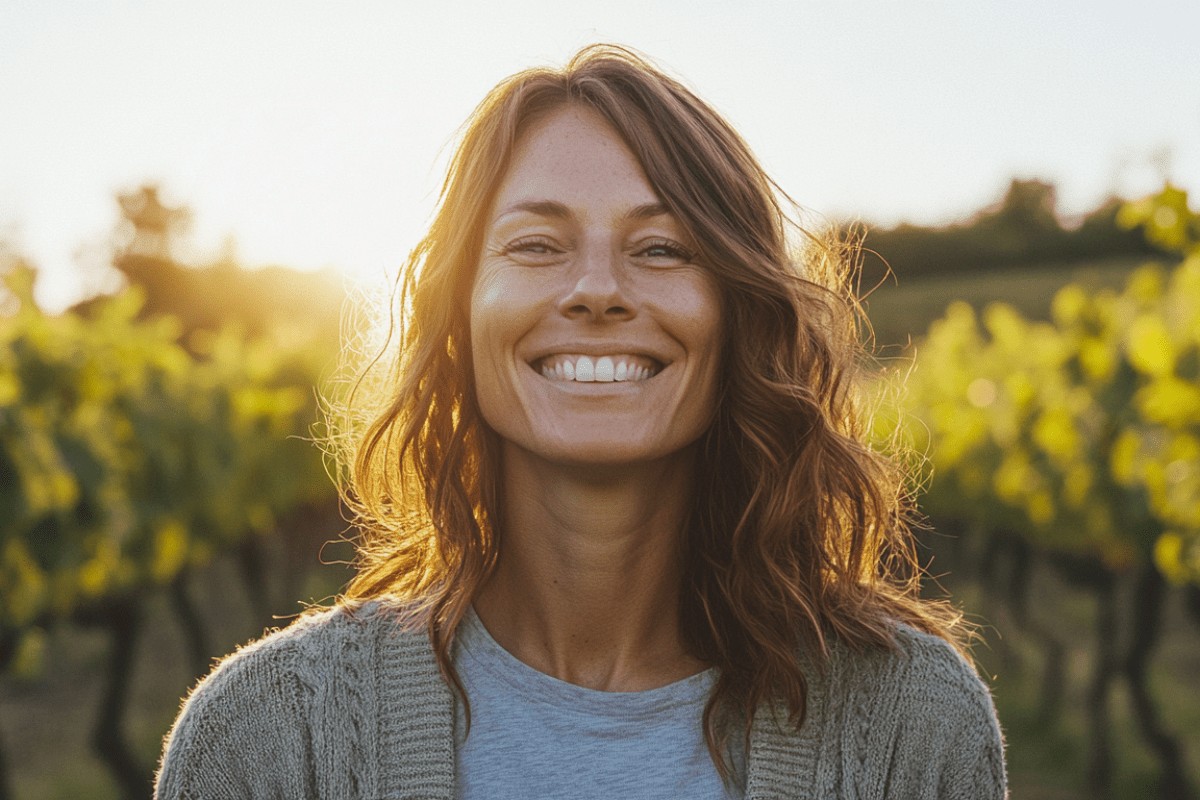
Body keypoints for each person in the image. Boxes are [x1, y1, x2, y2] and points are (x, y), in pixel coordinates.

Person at [154, 44, 1007, 799]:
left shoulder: (915, 727)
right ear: (461, 312)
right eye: (536, 245)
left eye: (663, 248)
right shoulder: (266, 742)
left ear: (739, 313)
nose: (596, 288)